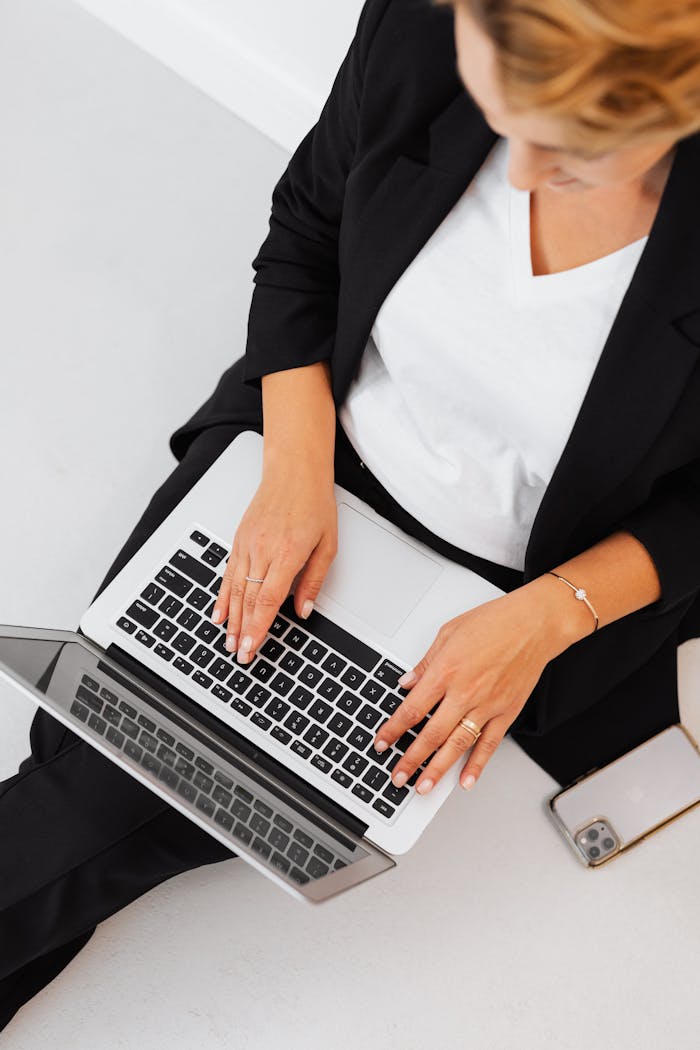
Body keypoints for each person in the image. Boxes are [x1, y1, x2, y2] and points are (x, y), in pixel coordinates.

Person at [2, 0, 700, 1029]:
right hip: (304, 449)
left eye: (574, 156)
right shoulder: (421, 25)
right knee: (122, 775)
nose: (511, 177)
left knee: (101, 773)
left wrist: (548, 618)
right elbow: (306, 233)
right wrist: (290, 470)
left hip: (514, 583)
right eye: (495, 110)